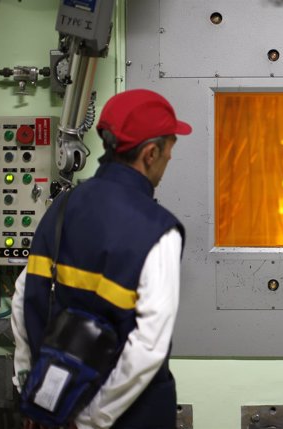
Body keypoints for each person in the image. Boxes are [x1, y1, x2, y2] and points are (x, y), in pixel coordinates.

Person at [10, 89, 192, 429]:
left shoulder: (62, 207)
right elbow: (148, 345)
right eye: (169, 151)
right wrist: (93, 419)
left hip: (54, 406)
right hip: (130, 417)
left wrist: (33, 394)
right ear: (150, 153)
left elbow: (24, 298)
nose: (169, 160)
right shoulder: (159, 231)